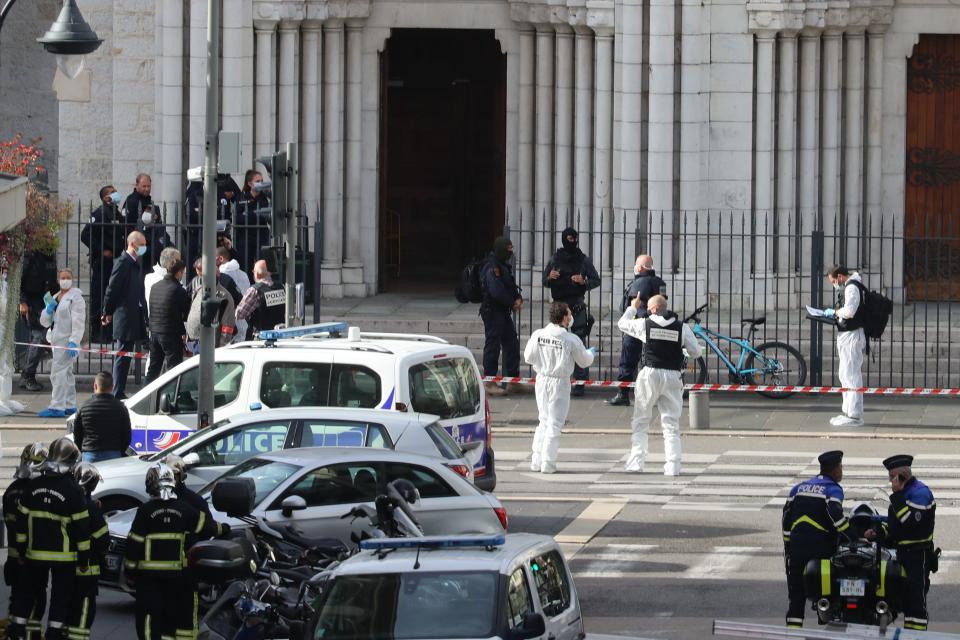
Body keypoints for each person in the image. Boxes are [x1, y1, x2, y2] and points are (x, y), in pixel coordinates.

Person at [10, 437, 90, 640]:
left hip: (33, 555)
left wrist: (20, 550)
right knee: (60, 598)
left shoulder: (33, 486)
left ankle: (17, 630)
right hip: (64, 558)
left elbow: (21, 522)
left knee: (28, 594)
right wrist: (83, 559)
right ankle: (54, 633)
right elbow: (82, 528)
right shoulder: (73, 490)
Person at [124, 463, 214, 640]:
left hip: (149, 580)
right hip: (179, 578)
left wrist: (130, 571)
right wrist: (224, 529)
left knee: (149, 620)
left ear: (151, 483)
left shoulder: (145, 511)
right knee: (176, 619)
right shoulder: (186, 509)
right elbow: (208, 527)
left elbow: (134, 543)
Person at [617, 294, 701, 474]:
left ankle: (636, 463)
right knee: (671, 422)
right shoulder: (682, 327)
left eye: (648, 308)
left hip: (650, 373)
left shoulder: (644, 324)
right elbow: (696, 352)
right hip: (672, 374)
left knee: (641, 420)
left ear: (654, 309)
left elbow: (622, 323)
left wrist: (633, 307)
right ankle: (673, 465)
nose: (646, 311)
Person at [523, 302, 596, 473]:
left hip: (542, 380)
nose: (571, 318)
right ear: (564, 318)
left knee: (543, 420)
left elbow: (528, 357)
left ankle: (536, 460)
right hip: (560, 382)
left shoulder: (539, 334)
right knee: (554, 423)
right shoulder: (570, 339)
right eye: (569, 315)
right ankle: (548, 463)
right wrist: (591, 354)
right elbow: (583, 361)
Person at [780, 450, 848, 629]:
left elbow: (786, 519)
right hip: (821, 550)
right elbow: (836, 516)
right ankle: (827, 617)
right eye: (840, 467)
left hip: (796, 549)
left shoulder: (798, 488)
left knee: (796, 599)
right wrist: (854, 536)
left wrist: (789, 546)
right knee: (830, 591)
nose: (841, 471)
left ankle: (793, 633)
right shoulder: (833, 489)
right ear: (834, 470)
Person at [875, 455, 936, 631]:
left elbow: (909, 523)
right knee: (906, 601)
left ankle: (916, 636)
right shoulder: (901, 495)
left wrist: (898, 495)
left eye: (893, 477)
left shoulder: (920, 493)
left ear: (902, 476)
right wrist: (879, 533)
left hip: (918, 555)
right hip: (902, 554)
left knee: (916, 604)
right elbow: (895, 526)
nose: (891, 482)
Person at [542, 227, 600, 396]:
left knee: (579, 342)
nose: (571, 241)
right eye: (568, 238)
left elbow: (596, 280)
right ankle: (559, 376)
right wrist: (549, 277)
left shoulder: (583, 260)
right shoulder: (555, 259)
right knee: (557, 342)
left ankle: (580, 381)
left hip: (576, 307)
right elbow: (544, 280)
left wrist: (584, 282)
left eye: (574, 238)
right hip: (559, 307)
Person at [3, 443, 48, 640]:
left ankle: (15, 634)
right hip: (31, 558)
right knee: (35, 602)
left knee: (17, 601)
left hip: (14, 558)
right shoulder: (37, 493)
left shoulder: (11, 491)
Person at [609, 255, 667, 406]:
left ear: (640, 268)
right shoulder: (660, 282)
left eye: (636, 264)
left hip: (638, 326)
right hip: (658, 326)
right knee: (655, 361)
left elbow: (636, 307)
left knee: (628, 359)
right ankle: (655, 393)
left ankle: (623, 393)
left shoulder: (639, 283)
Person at [102, 231, 149, 398]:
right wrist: (107, 311)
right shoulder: (123, 262)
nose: (144, 247)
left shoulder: (134, 262)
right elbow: (112, 288)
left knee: (126, 353)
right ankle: (116, 391)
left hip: (133, 314)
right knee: (123, 354)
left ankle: (119, 390)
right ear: (133, 244)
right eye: (142, 244)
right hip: (124, 315)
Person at [480, 237, 526, 397]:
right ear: (500, 249)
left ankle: (513, 381)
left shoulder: (503, 266)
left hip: (502, 311)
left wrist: (518, 297)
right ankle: (490, 381)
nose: (511, 251)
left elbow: (510, 286)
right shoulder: (492, 267)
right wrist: (512, 303)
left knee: (512, 343)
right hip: (493, 312)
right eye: (508, 248)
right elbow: (496, 291)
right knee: (493, 345)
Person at [67, 463, 109, 640]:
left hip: (66, 567)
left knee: (67, 607)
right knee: (84, 611)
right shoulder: (91, 508)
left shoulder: (68, 503)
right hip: (88, 569)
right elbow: (103, 540)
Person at [37, 269, 86, 418]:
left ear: (72, 279)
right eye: (62, 277)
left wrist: (74, 341)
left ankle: (57, 406)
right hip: (56, 340)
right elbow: (44, 322)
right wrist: (48, 309)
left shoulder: (76, 298)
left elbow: (78, 321)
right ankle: (70, 405)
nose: (65, 280)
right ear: (58, 280)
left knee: (57, 374)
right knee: (67, 373)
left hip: (66, 341)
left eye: (68, 277)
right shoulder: (55, 297)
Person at [822, 265, 866, 427]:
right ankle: (848, 411)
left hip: (852, 335)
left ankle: (854, 415)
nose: (834, 284)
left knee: (851, 374)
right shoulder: (852, 286)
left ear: (840, 276)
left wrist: (834, 312)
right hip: (848, 335)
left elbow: (850, 311)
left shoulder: (852, 287)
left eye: (834, 281)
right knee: (845, 374)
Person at [80, 185, 125, 343]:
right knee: (100, 296)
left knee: (112, 296)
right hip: (102, 262)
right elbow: (85, 235)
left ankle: (109, 333)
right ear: (106, 197)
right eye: (112, 192)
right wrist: (101, 251)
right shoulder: (99, 213)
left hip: (116, 261)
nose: (116, 194)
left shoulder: (116, 213)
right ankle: (97, 333)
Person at [17, 250, 58, 393]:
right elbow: (19, 280)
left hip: (45, 303)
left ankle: (26, 375)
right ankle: (28, 375)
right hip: (31, 303)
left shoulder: (50, 256)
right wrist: (22, 302)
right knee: (38, 337)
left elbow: (52, 282)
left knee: (37, 338)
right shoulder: (30, 256)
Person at [147, 249, 191, 382]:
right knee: (173, 370)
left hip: (154, 332)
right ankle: (171, 399)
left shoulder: (155, 286)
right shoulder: (178, 290)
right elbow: (186, 311)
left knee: (153, 368)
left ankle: (146, 395)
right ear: (179, 273)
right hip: (171, 334)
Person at [165, 454, 231, 541]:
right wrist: (224, 529)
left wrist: (223, 529)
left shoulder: (195, 501)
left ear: (181, 475)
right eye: (166, 476)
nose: (169, 480)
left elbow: (208, 528)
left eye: (173, 476)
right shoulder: (193, 502)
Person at [73, 372, 132, 463]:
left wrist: (83, 449)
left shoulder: (84, 407)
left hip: (90, 454)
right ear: (112, 387)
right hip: (114, 453)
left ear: (95, 386)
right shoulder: (120, 407)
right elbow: (127, 435)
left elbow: (77, 434)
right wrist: (120, 450)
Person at [186, 258, 238, 348]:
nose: (199, 277)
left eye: (201, 275)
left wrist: (222, 347)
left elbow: (228, 326)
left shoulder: (224, 296)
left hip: (211, 346)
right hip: (195, 343)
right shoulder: (198, 290)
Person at [236, 259, 285, 337]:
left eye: (254, 271)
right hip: (281, 334)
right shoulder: (281, 287)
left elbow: (239, 314)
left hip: (262, 337)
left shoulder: (255, 290)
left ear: (257, 275)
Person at [218, 246, 250, 341]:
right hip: (243, 320)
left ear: (220, 258)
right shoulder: (243, 274)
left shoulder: (220, 275)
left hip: (227, 321)